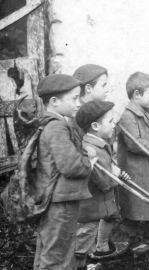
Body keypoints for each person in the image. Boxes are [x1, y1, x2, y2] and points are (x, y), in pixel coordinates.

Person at [33, 74, 94, 270]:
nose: (78, 103)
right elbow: (71, 165)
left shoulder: (52, 124)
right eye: (74, 98)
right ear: (54, 101)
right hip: (61, 202)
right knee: (58, 255)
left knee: (50, 251)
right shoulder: (57, 126)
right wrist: (89, 161)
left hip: (56, 199)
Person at [117, 72, 149, 246]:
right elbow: (133, 143)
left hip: (147, 163)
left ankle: (147, 226)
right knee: (139, 199)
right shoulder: (128, 116)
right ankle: (144, 233)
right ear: (136, 95)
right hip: (135, 167)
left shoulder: (144, 111)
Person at [71, 64, 112, 268]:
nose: (107, 89)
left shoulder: (96, 113)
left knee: (94, 222)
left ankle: (91, 254)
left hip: (97, 182)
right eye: (104, 85)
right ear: (88, 89)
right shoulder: (77, 118)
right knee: (83, 228)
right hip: (86, 185)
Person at [75, 100, 123, 264]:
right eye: (110, 121)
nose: (114, 123)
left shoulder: (99, 143)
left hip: (103, 201)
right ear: (95, 126)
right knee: (85, 236)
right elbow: (105, 182)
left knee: (112, 218)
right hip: (93, 206)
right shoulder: (91, 149)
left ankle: (101, 246)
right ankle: (79, 263)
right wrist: (115, 174)